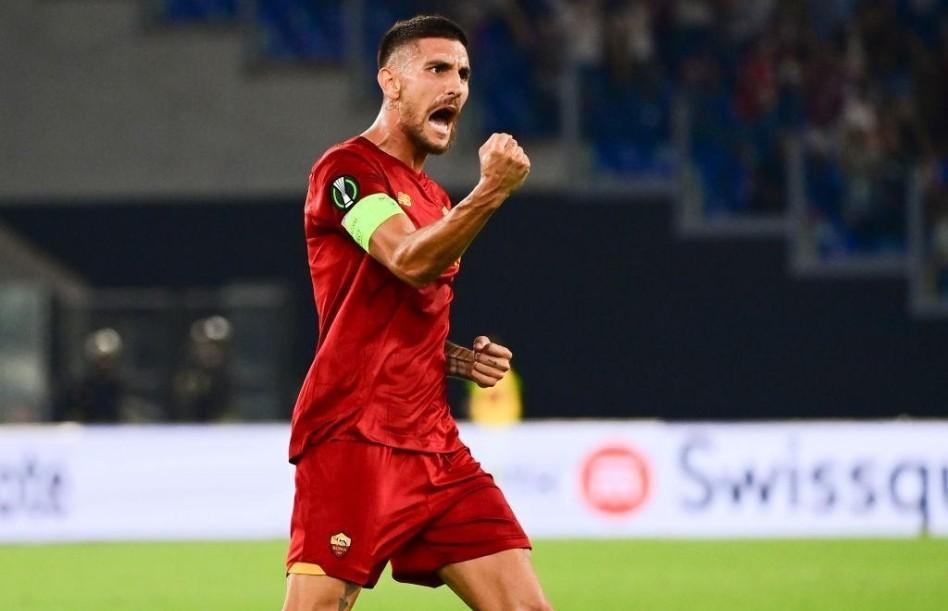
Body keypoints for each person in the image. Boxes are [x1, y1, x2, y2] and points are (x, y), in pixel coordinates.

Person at [283, 14, 552, 611]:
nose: (455, 85)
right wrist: (490, 192)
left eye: (463, 72)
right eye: (436, 69)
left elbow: (397, 308)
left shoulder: (434, 198)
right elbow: (406, 260)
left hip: (434, 444)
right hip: (356, 433)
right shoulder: (345, 172)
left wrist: (455, 358)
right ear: (391, 82)